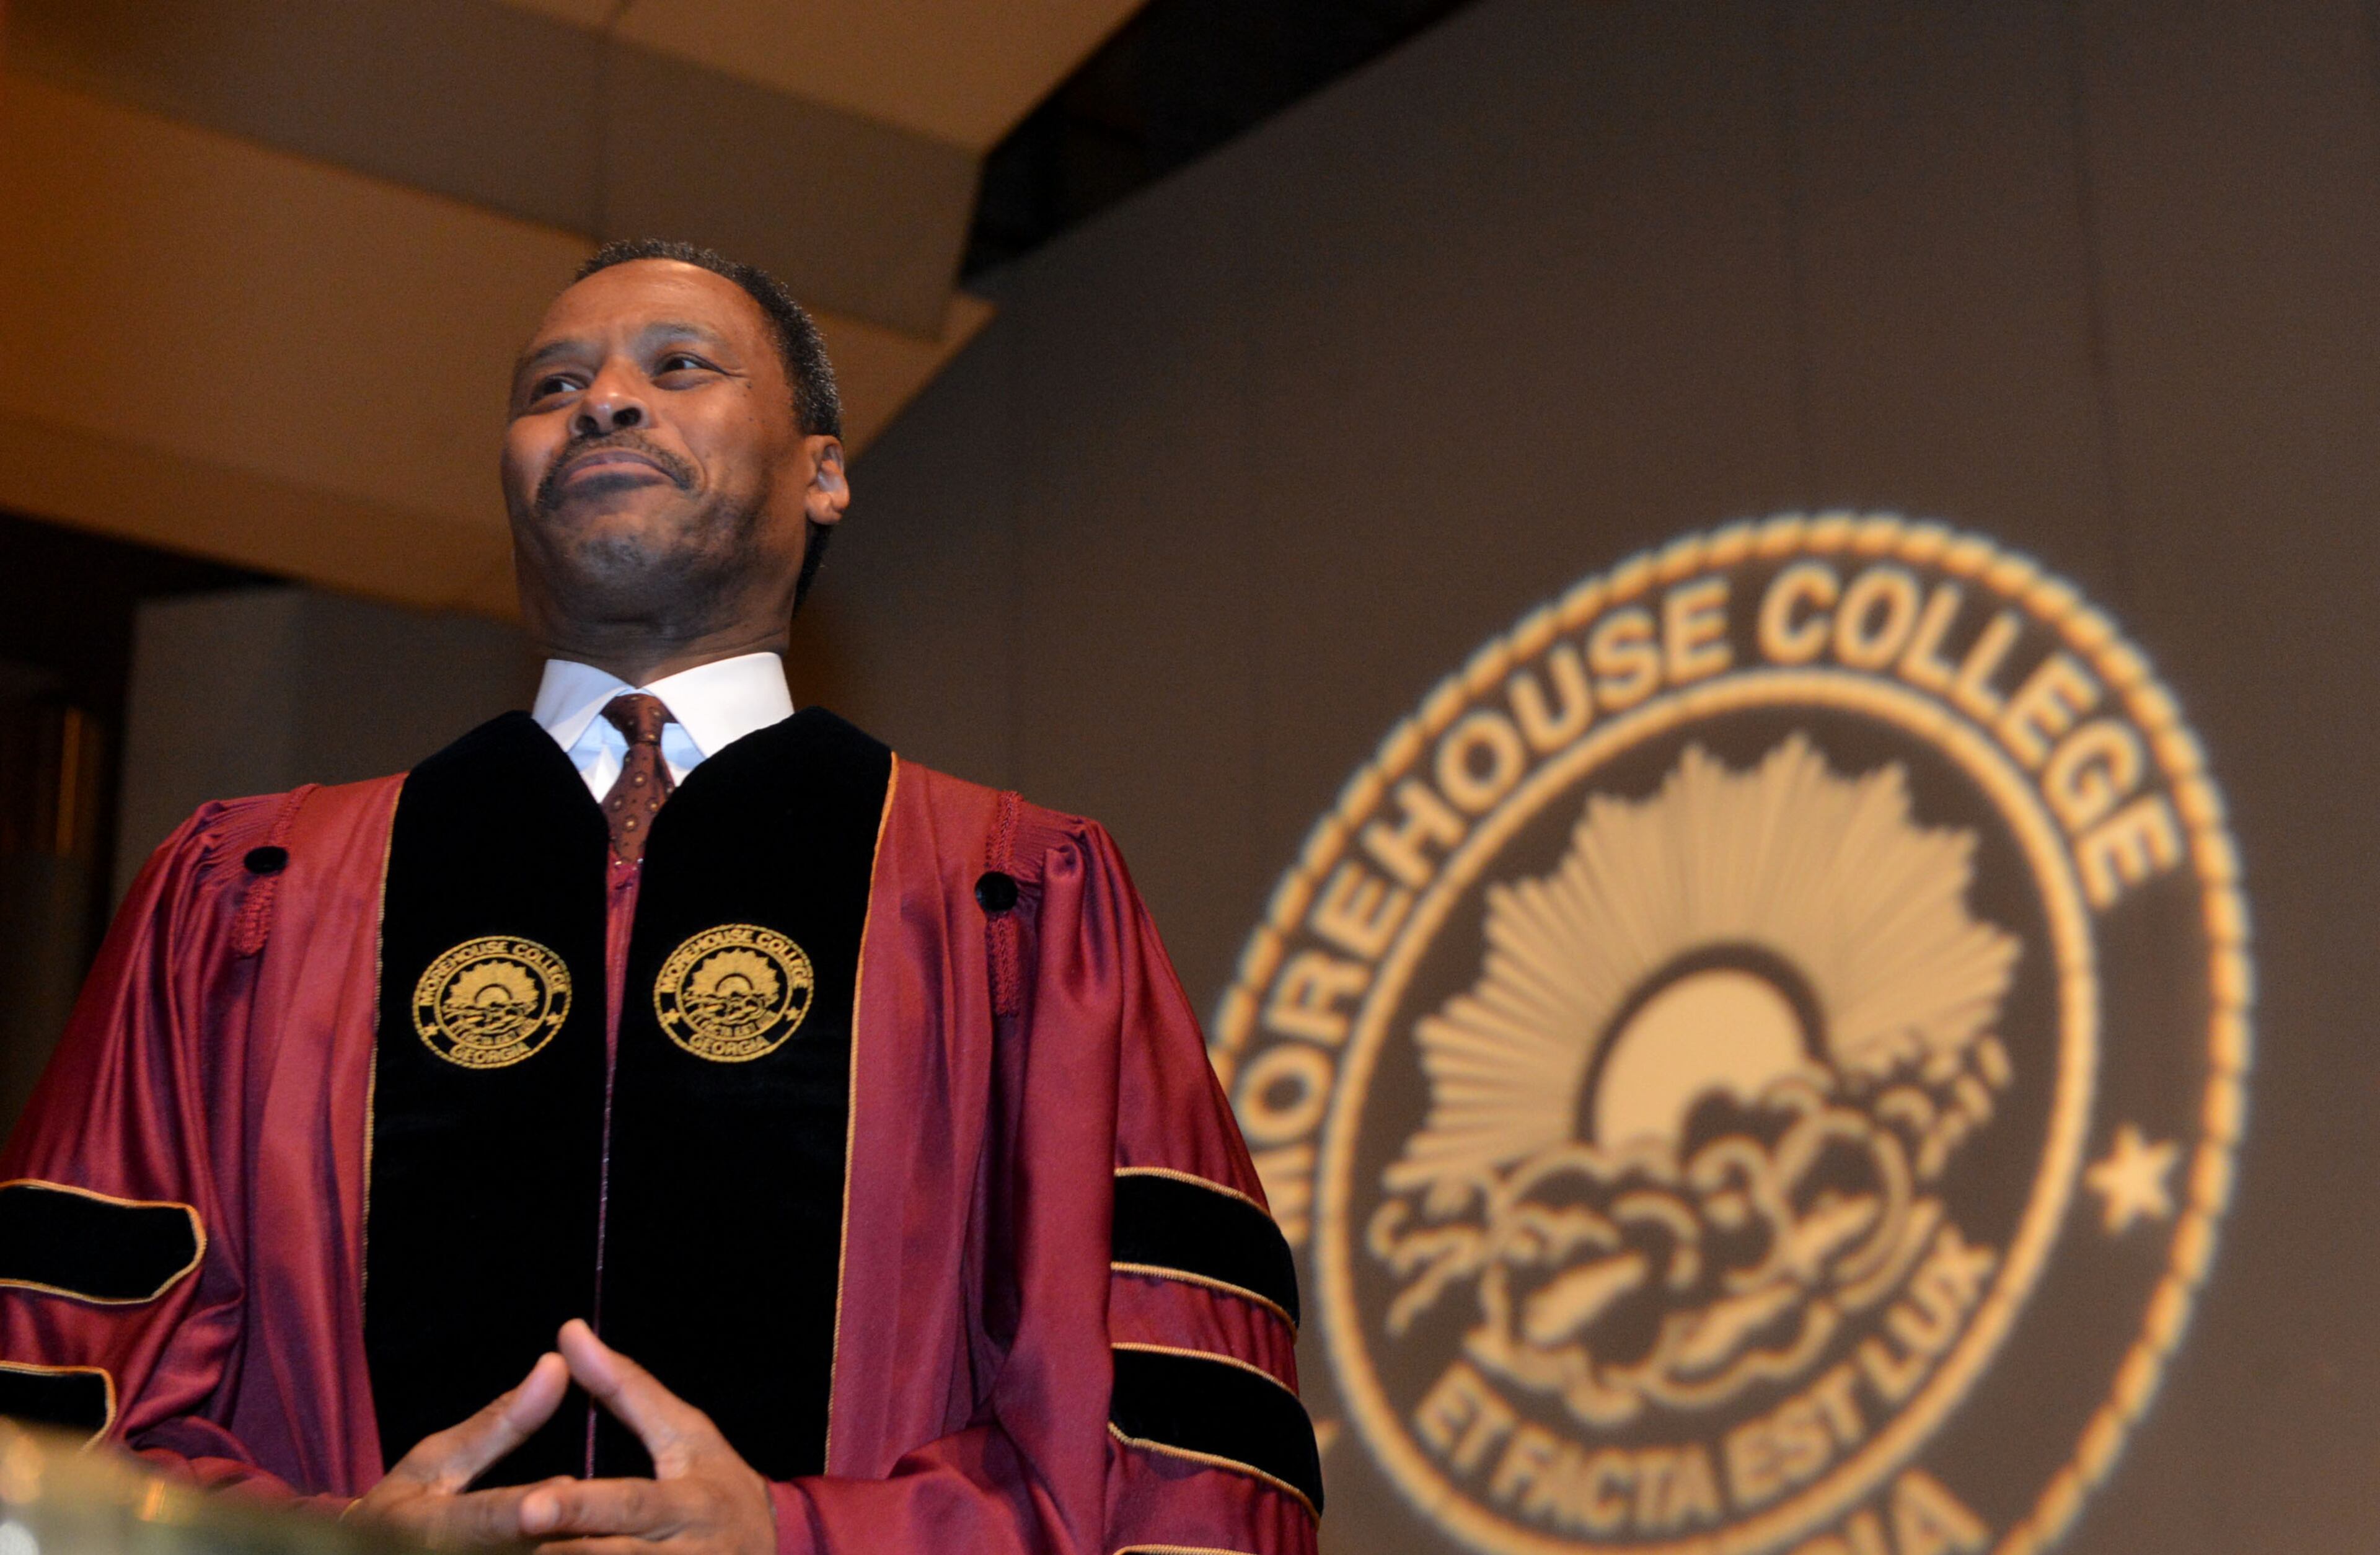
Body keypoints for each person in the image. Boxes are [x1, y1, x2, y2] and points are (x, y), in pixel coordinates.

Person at [0, 241, 1319, 1555]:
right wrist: (334, 1547)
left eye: (678, 366)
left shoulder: (1013, 898)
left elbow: (1153, 1448)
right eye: (552, 386)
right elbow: (74, 1398)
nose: (605, 401)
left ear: (824, 472)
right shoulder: (251, 894)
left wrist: (800, 1539)